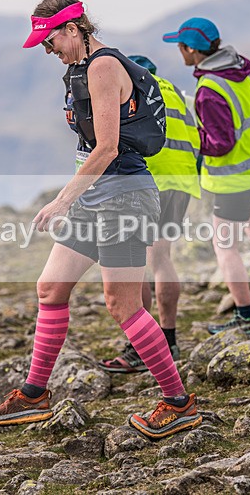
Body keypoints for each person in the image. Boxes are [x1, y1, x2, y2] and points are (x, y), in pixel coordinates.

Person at [0, 0, 202, 439]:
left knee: (122, 304)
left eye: (51, 39)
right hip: (98, 196)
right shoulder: (78, 69)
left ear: (74, 27)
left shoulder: (101, 67)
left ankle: (178, 403)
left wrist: (62, 201)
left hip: (123, 196)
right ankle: (34, 396)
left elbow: (107, 148)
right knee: (51, 288)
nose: (48, 49)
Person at [162, 18, 250, 334]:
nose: (179, 52)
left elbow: (220, 145)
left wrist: (193, 135)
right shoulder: (243, 66)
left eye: (180, 46)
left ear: (192, 49)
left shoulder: (209, 90)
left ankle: (246, 318)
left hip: (237, 180)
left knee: (225, 247)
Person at [97, 55, 200, 373]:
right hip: (182, 182)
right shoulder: (177, 94)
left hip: (148, 182)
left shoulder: (135, 95)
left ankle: (139, 347)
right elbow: (197, 139)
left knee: (135, 262)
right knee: (162, 259)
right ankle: (168, 340)